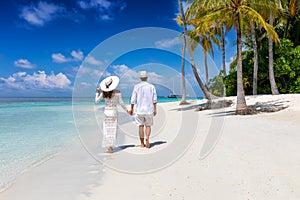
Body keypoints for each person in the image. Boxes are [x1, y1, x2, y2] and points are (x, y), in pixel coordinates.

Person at [95, 76, 129, 153]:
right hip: (114, 112)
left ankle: (109, 147)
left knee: (107, 130)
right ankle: (111, 147)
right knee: (113, 130)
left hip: (106, 112)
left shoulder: (104, 93)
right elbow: (122, 103)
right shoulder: (118, 92)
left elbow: (96, 101)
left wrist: (97, 92)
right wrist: (127, 110)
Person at [129, 71, 157, 148]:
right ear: (147, 77)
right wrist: (155, 109)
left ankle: (142, 144)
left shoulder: (136, 86)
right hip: (149, 109)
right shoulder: (152, 86)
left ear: (140, 78)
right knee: (148, 125)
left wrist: (131, 109)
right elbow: (154, 99)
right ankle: (147, 138)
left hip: (139, 110)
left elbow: (133, 100)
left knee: (140, 126)